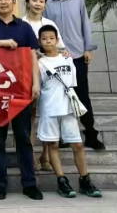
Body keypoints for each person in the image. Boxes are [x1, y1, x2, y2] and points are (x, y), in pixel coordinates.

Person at [0, 0, 42, 201]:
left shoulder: (24, 27)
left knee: (23, 138)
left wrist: (36, 83)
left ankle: (30, 184)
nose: (3, 2)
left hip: (21, 91)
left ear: (14, 1)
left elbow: (32, 56)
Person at [37, 25, 103, 199]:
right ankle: (61, 180)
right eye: (44, 39)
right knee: (53, 145)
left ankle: (85, 179)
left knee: (77, 145)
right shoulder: (39, 63)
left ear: (57, 40)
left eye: (51, 38)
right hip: (49, 108)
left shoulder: (67, 59)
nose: (48, 41)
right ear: (39, 41)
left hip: (67, 108)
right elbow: (38, 86)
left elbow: (72, 83)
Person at [44, 0, 105, 151]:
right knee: (59, 96)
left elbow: (85, 25)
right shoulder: (46, 3)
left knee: (82, 94)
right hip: (56, 58)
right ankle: (63, 136)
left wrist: (88, 49)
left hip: (77, 55)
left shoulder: (78, 1)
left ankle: (91, 134)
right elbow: (44, 30)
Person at [25, 0, 66, 171]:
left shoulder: (49, 23)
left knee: (48, 116)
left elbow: (61, 48)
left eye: (41, 1)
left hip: (50, 77)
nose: (38, 4)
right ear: (27, 2)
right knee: (31, 118)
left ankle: (46, 156)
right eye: (34, 0)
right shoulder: (21, 23)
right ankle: (31, 157)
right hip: (29, 75)